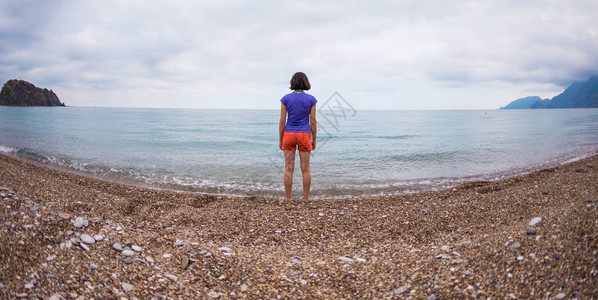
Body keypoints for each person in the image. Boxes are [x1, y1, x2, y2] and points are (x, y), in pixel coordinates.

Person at [279, 72, 317, 200]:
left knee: (288, 168)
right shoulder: (311, 99)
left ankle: (288, 198)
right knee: (305, 169)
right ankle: (305, 199)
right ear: (306, 83)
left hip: (289, 133)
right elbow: (313, 121)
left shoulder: (286, 99)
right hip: (304, 134)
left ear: (292, 83)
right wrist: (314, 139)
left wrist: (280, 139)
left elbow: (282, 121)